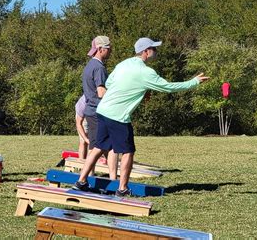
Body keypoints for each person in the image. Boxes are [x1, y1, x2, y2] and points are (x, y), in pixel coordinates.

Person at [73, 37, 209, 196]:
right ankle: (122, 189)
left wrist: (133, 91)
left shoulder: (124, 64)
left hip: (103, 110)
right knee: (128, 152)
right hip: (118, 116)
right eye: (154, 49)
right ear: (146, 51)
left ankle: (81, 181)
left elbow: (109, 84)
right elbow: (168, 87)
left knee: (98, 148)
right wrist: (194, 82)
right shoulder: (146, 72)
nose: (156, 51)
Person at [82, 36, 118, 179]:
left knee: (94, 146)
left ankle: (88, 179)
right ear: (100, 49)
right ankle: (114, 181)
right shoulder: (99, 67)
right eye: (109, 49)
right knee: (111, 147)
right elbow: (101, 92)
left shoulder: (90, 65)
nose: (110, 51)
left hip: (90, 111)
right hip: (98, 112)